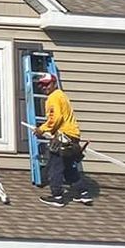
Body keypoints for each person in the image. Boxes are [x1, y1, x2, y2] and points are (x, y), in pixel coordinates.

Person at [33, 71, 91, 206]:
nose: (44, 88)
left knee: (55, 167)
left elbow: (56, 118)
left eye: (47, 84)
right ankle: (83, 193)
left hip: (63, 137)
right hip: (73, 137)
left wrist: (42, 129)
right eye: (41, 85)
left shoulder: (53, 97)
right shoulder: (62, 96)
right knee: (68, 168)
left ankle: (57, 196)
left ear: (54, 83)